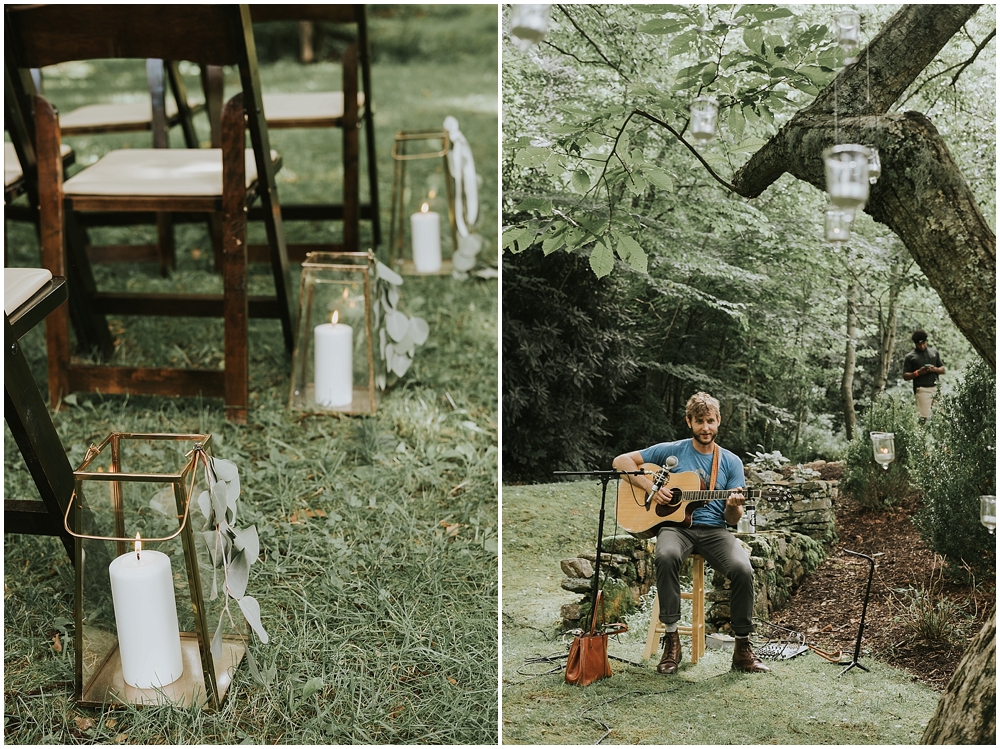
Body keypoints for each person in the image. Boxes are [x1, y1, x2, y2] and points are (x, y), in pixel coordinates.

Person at [612, 392, 770, 675]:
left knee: (743, 568)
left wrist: (735, 506)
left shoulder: (731, 462)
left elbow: (732, 519)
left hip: (715, 531)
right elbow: (621, 461)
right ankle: (672, 641)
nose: (705, 427)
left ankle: (742, 648)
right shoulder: (671, 451)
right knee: (666, 555)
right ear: (689, 422)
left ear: (718, 421)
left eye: (710, 421)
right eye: (699, 421)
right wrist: (652, 488)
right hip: (675, 528)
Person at [902, 330, 945, 423]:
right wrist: (918, 373)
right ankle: (920, 437)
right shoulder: (910, 357)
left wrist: (934, 369)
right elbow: (905, 376)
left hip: (936, 388)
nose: (922, 346)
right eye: (919, 344)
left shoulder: (934, 352)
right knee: (922, 418)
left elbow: (943, 369)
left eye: (923, 343)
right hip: (922, 389)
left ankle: (942, 437)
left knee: (942, 417)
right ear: (915, 344)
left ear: (926, 341)